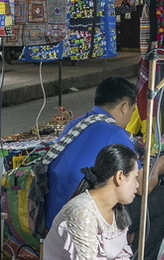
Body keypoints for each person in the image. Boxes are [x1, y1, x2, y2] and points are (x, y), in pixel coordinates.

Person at [41, 144, 142, 260]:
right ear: (120, 177)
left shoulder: (116, 210)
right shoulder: (81, 212)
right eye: (135, 177)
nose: (137, 185)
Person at [43, 78, 140, 226]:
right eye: (132, 111)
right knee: (162, 198)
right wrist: (158, 167)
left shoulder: (74, 124)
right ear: (124, 107)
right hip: (79, 220)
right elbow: (142, 186)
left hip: (51, 216)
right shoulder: (115, 132)